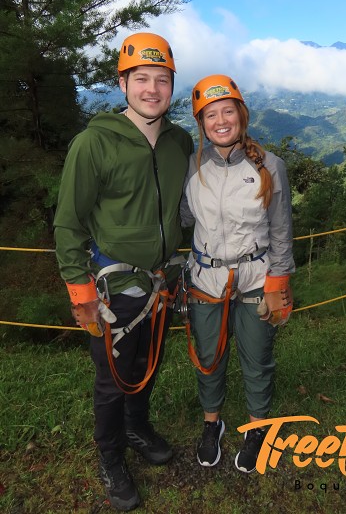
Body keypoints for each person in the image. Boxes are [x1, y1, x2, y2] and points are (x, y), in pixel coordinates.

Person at [54, 32, 193, 512]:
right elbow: (68, 222)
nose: (152, 89)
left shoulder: (179, 143)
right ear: (123, 83)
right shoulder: (94, 144)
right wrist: (80, 292)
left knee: (148, 364)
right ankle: (111, 457)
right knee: (112, 380)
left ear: (171, 85)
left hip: (161, 283)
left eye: (161, 79)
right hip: (113, 287)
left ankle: (137, 427)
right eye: (141, 79)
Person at [180, 74, 295, 474]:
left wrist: (279, 281)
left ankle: (258, 427)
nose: (221, 121)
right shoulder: (194, 167)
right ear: (201, 123)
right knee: (209, 357)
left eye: (227, 111)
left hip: (257, 277)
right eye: (211, 115)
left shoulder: (269, 166)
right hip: (207, 277)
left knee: (257, 357)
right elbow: (184, 217)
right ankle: (212, 423)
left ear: (242, 116)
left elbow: (281, 229)